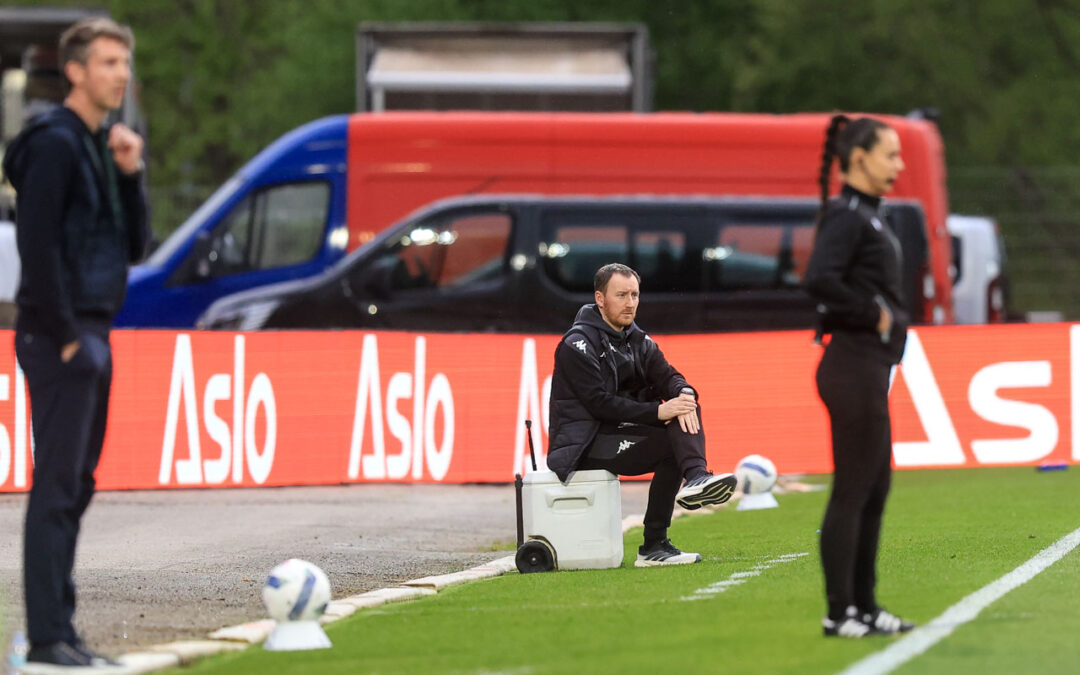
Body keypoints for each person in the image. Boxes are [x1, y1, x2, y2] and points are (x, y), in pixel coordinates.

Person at [1, 17, 149, 667]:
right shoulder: (56, 143)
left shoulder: (100, 144)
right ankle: (46, 635)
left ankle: (59, 628)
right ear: (76, 71)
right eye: (109, 62)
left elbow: (135, 247)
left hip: (93, 328)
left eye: (125, 62)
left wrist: (129, 175)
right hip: (60, 334)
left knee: (78, 483)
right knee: (58, 485)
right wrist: (64, 337)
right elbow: (35, 246)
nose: (121, 73)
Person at [804, 115, 915, 638]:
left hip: (869, 366)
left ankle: (866, 607)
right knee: (853, 488)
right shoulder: (848, 215)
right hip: (851, 363)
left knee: (875, 487)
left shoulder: (870, 216)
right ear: (859, 158)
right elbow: (819, 279)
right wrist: (875, 313)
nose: (899, 163)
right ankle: (840, 611)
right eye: (890, 154)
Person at [547, 263, 737, 567]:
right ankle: (655, 542)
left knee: (686, 404)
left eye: (635, 294)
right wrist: (659, 411)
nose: (630, 303)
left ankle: (695, 478)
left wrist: (684, 394)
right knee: (671, 438)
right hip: (585, 443)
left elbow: (670, 377)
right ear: (600, 298)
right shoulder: (577, 344)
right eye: (621, 295)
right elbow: (600, 404)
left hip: (620, 431)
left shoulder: (637, 339)